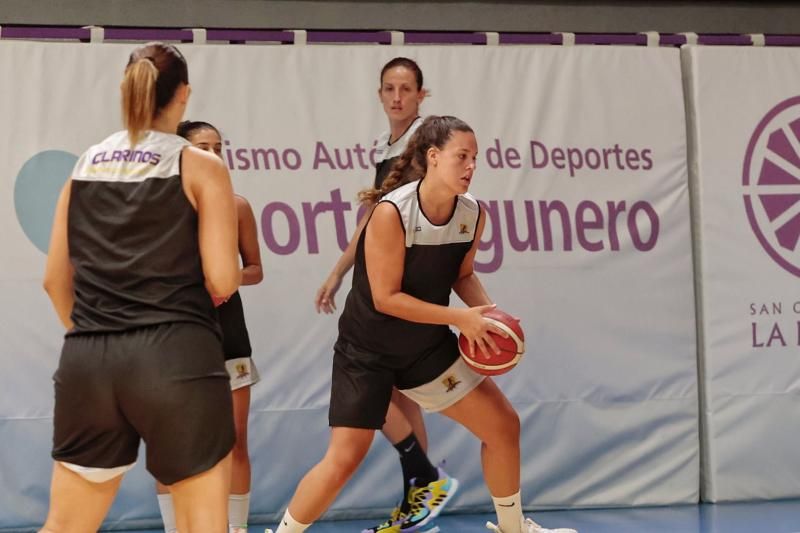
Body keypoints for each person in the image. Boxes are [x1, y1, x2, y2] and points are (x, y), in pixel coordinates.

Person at [281, 116, 576, 533]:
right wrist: (461, 319)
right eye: (461, 157)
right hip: (367, 351)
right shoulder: (391, 213)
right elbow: (387, 298)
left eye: (475, 158)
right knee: (344, 458)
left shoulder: (472, 214)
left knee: (503, 425)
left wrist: (491, 318)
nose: (470, 166)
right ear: (434, 158)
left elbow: (462, 275)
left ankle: (513, 528)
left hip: (423, 348)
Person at [41, 42, 240, 533]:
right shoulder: (201, 165)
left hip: (88, 360)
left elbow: (53, 280)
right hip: (177, 358)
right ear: (184, 94)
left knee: (65, 526)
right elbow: (221, 278)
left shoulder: (83, 164)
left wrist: (102, 336)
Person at [315, 58, 456, 533]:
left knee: (370, 387)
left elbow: (410, 220)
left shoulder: (423, 145)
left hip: (397, 283)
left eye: (406, 89)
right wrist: (337, 271)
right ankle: (421, 498)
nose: (397, 97)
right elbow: (373, 221)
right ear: (379, 95)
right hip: (383, 276)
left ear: (422, 95)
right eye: (389, 89)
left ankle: (425, 478)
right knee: (398, 390)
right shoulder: (388, 146)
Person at [155, 121, 263, 533]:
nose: (215, 155)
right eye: (204, 147)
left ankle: (236, 528)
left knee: (234, 441)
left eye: (219, 147)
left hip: (228, 334)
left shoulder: (236, 206)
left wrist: (226, 278)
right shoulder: (161, 207)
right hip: (174, 338)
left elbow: (255, 269)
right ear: (183, 154)